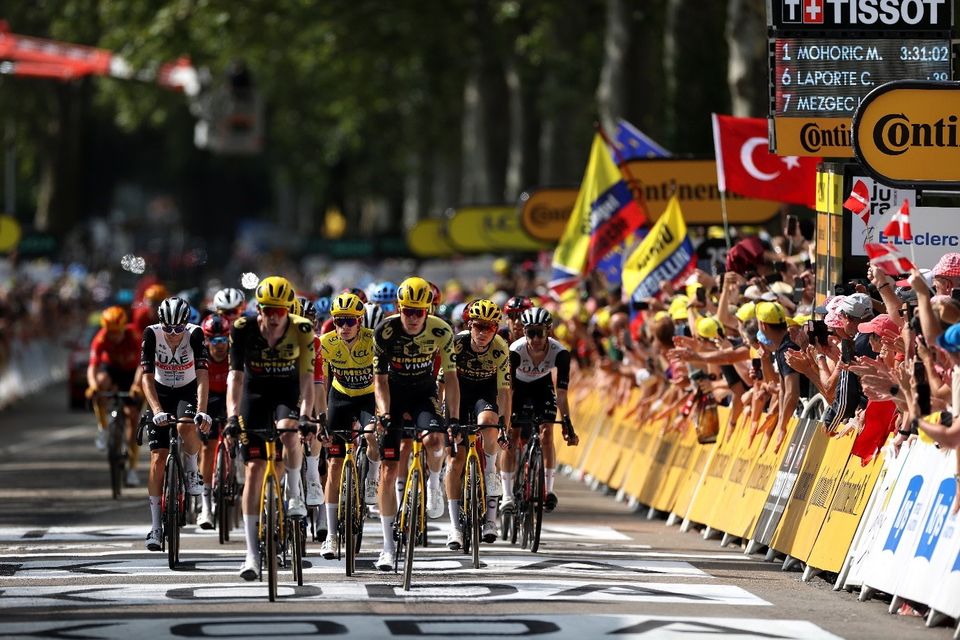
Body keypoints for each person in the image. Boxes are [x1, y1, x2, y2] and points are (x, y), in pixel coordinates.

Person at [224, 276, 315, 580]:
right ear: (259, 310)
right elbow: (235, 378)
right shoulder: (242, 329)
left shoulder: (302, 328)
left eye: (280, 310)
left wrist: (305, 415)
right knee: (254, 468)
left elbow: (307, 378)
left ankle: (294, 492)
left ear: (289, 310)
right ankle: (250, 554)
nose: (274, 316)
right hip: (255, 393)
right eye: (268, 310)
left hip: (287, 392)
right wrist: (231, 417)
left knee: (290, 432)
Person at [372, 276, 459, 571]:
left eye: (418, 312)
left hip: (423, 393)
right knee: (388, 470)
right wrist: (383, 413)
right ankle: (387, 546)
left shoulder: (442, 331)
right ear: (399, 307)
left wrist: (454, 420)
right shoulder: (385, 331)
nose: (411, 317)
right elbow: (380, 381)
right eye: (407, 311)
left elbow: (451, 379)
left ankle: (434, 484)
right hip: (393, 395)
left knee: (435, 440)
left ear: (428, 311)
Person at [140, 297, 211, 551]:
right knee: (158, 457)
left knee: (185, 426)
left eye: (177, 328)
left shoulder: (195, 334)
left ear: (185, 324)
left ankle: (192, 469)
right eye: (167, 328)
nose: (172, 334)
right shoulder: (151, 334)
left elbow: (203, 376)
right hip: (160, 392)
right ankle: (156, 527)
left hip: (187, 390)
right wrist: (157, 410)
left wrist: (202, 412)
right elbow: (146, 379)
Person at [317, 292, 380, 560]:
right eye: (340, 321)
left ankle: (372, 478)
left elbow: (383, 378)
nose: (345, 327)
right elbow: (322, 380)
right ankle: (331, 535)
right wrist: (321, 417)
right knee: (333, 463)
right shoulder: (326, 343)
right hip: (339, 397)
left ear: (360, 321)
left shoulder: (373, 341)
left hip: (368, 396)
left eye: (351, 321)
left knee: (373, 436)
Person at [445, 299, 511, 549]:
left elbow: (505, 391)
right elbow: (443, 382)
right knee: (455, 460)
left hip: (484, 394)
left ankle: (491, 471)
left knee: (489, 423)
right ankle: (454, 527)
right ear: (469, 326)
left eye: (490, 327)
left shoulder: (500, 348)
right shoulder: (457, 344)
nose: (483, 333)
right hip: (459, 394)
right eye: (478, 326)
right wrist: (445, 415)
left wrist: (505, 423)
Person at [505, 307, 577, 514]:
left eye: (540, 332)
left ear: (549, 331)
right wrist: (506, 421)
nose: (535, 338)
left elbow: (561, 394)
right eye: (530, 333)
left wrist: (567, 423)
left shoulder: (561, 353)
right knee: (512, 436)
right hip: (518, 388)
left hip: (541, 387)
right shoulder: (515, 351)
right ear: (524, 332)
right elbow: (508, 391)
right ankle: (507, 495)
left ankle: (549, 490)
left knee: (547, 433)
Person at [86, 306, 143, 486]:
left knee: (133, 418)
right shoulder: (101, 338)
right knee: (100, 385)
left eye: (117, 332)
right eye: (110, 332)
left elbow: (144, 365)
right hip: (112, 369)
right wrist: (93, 386)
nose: (114, 336)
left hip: (132, 372)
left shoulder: (134, 335)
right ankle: (103, 428)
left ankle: (132, 469)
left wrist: (136, 385)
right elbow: (92, 367)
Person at [197, 313, 232, 530]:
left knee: (235, 439)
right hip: (209, 399)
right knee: (208, 448)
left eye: (223, 340)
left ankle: (234, 474)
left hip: (229, 398)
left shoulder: (234, 356)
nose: (218, 346)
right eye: (213, 340)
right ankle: (206, 506)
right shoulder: (200, 357)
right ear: (206, 341)